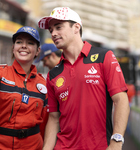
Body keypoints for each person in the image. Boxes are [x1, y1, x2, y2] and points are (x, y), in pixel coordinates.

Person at [38, 7, 130, 150]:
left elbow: (121, 100)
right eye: (51, 30)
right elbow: (54, 118)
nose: (53, 34)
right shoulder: (53, 74)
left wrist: (116, 142)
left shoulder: (104, 56)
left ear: (76, 27)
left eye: (58, 27)